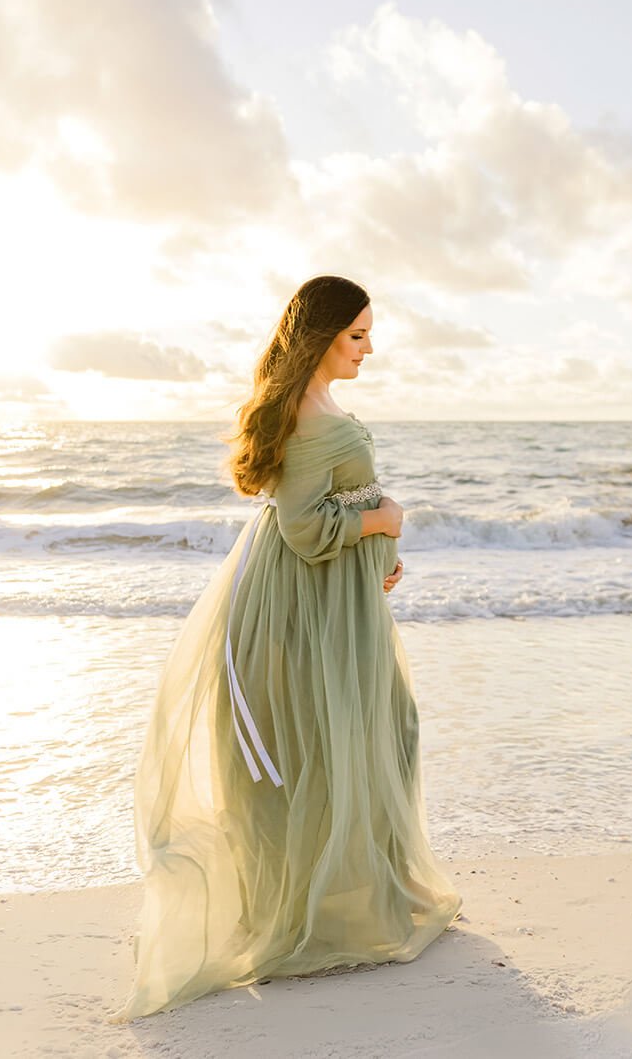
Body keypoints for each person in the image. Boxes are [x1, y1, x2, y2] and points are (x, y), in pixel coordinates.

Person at [108, 274, 463, 1022]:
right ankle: (320, 905)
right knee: (324, 743)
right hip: (304, 606)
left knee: (384, 727)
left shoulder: (318, 404)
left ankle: (374, 883)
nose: (369, 349)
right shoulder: (307, 414)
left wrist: (378, 552)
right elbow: (304, 528)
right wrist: (383, 520)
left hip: (334, 599)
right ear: (322, 337)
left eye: (368, 334)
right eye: (357, 335)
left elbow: (330, 504)